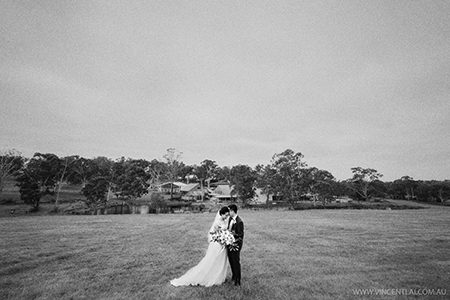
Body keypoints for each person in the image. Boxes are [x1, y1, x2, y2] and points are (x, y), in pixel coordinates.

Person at [170, 206, 231, 287]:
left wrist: (226, 238)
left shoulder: (225, 221)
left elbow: (225, 231)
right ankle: (211, 276)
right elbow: (213, 234)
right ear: (222, 214)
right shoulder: (217, 222)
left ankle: (220, 276)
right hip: (217, 244)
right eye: (226, 215)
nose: (227, 217)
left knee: (221, 261)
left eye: (228, 215)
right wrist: (220, 238)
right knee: (213, 260)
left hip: (223, 245)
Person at [227, 204, 244, 286]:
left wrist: (234, 234)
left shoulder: (239, 222)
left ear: (232, 211)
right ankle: (234, 276)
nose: (228, 212)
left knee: (236, 261)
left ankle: (238, 280)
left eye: (229, 211)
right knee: (231, 261)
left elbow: (241, 236)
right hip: (229, 243)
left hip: (236, 244)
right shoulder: (230, 219)